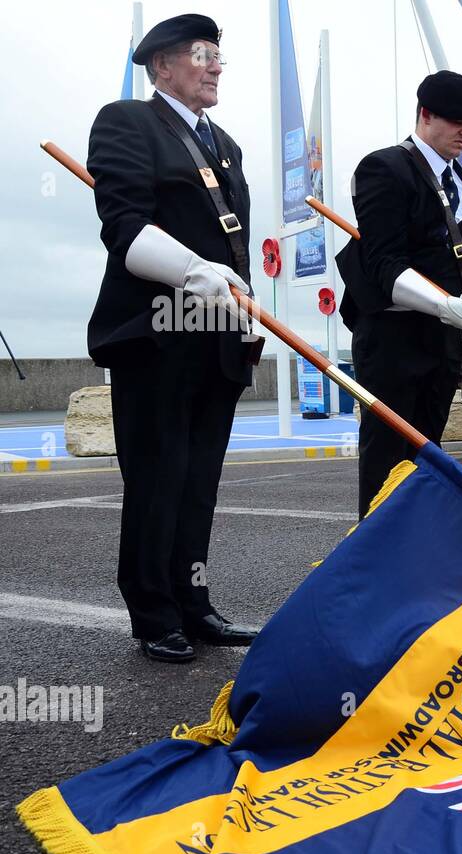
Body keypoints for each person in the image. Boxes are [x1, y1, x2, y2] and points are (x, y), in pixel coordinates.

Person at [87, 13, 262, 663]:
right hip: (157, 335)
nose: (216, 65)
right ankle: (153, 611)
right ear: (161, 66)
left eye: (219, 56)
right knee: (158, 479)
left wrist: (244, 305)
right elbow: (125, 228)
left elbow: (233, 246)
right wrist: (197, 273)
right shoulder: (127, 122)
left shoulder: (225, 144)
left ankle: (194, 601)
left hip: (216, 338)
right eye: (201, 54)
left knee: (198, 483)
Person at [337, 71, 462, 520]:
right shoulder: (384, 167)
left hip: (441, 339)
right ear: (425, 114)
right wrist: (443, 304)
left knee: (428, 456)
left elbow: (459, 266)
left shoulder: (461, 181)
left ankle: (418, 551)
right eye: (458, 121)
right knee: (388, 457)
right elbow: (384, 264)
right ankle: (376, 563)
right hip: (393, 338)